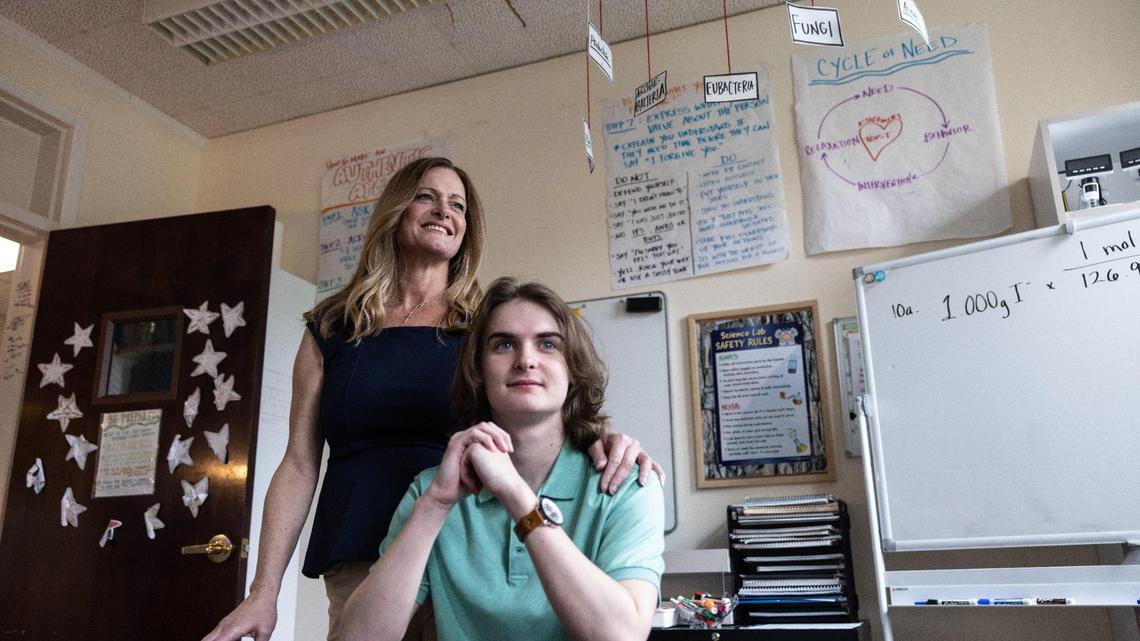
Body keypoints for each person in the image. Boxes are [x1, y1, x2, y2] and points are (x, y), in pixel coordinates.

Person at [203, 158, 664, 641]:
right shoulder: (332, 328)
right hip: (364, 551)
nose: (444, 211)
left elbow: (537, 414)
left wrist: (601, 440)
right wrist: (263, 590)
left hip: (467, 546)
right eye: (428, 196)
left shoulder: (485, 330)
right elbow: (299, 464)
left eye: (458, 205)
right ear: (396, 210)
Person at [340, 277, 665, 641]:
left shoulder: (628, 484)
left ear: (572, 369)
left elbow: (621, 637)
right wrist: (435, 505)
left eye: (547, 344)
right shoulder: (431, 491)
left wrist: (516, 495)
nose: (526, 360)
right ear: (478, 371)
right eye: (505, 344)